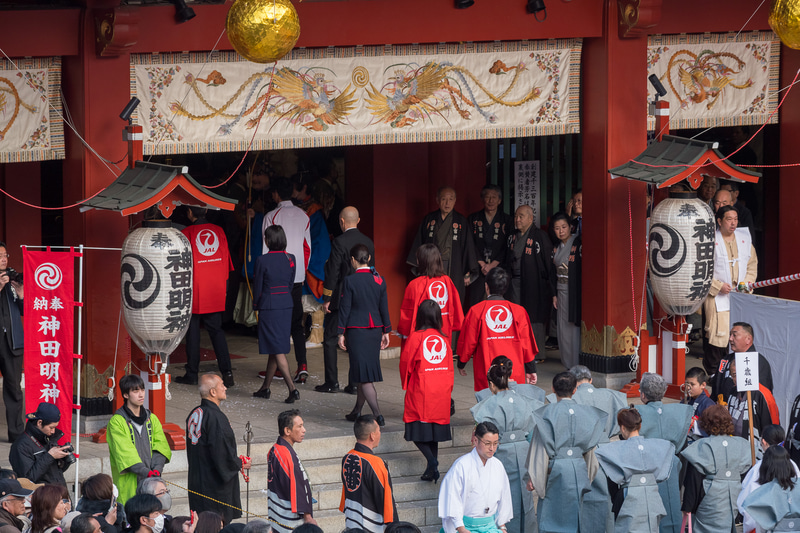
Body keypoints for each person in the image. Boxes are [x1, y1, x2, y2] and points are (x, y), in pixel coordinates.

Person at [524, 372, 607, 533]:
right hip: (579, 466)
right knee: (578, 518)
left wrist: (536, 480)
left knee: (552, 516)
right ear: (575, 390)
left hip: (555, 470)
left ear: (553, 389)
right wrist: (587, 476)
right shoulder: (587, 413)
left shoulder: (546, 414)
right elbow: (591, 451)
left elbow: (539, 450)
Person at [470, 356, 543, 533]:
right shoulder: (525, 400)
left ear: (491, 384)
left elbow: (485, 437)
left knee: (500, 498)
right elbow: (534, 435)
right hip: (524, 451)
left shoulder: (488, 405)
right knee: (524, 500)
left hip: (499, 451)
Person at [318, 206, 375, 394]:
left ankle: (332, 382)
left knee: (330, 338)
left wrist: (327, 297)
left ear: (342, 221)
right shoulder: (368, 242)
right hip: (362, 297)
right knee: (354, 340)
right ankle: (353, 384)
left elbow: (333, 273)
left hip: (341, 297)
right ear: (358, 221)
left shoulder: (339, 242)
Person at [176, 207, 235, 387]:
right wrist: (223, 285)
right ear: (206, 212)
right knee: (216, 330)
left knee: (193, 331)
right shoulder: (219, 231)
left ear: (189, 213)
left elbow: (181, 264)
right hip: (216, 286)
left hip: (196, 286)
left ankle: (192, 373)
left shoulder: (186, 233)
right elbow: (226, 260)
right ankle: (228, 373)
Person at [564, 365, 627, 533]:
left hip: (582, 451)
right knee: (607, 497)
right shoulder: (610, 395)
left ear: (573, 383)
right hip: (609, 450)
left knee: (584, 496)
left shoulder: (572, 399)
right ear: (590, 380)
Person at [262, 177, 312, 383]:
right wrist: (300, 272)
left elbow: (266, 251)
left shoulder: (271, 216)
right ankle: (302, 366)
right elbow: (307, 248)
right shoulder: (303, 215)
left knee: (276, 324)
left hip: (276, 278)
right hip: (297, 275)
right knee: (296, 324)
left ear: (275, 194)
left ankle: (277, 369)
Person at [456, 267, 537, 391]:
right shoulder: (518, 311)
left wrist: (461, 363)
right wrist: (531, 370)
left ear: (486, 286)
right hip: (513, 371)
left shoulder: (476, 311)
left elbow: (468, 342)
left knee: (488, 406)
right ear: (506, 287)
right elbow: (527, 344)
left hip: (488, 371)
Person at [595, 408, 675, 533]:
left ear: (622, 428)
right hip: (652, 493)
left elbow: (612, 478)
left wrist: (616, 498)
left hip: (628, 494)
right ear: (640, 426)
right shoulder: (657, 446)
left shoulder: (615, 449)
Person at [399, 300, 454, 482]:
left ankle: (432, 461)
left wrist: (406, 383)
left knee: (415, 428)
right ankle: (432, 469)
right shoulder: (444, 338)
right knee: (433, 432)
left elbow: (406, 364)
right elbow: (449, 368)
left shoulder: (416, 337)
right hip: (441, 389)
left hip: (422, 387)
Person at [185, 373, 251, 524]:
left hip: (197, 481)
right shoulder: (215, 417)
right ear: (212, 392)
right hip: (213, 486)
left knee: (201, 524)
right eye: (222, 385)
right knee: (214, 525)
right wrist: (239, 463)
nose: (225, 388)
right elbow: (221, 454)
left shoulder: (195, 413)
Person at [338, 244, 392, 426]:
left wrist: (340, 332)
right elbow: (383, 308)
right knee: (363, 374)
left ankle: (378, 415)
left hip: (357, 331)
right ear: (368, 259)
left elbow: (345, 309)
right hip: (375, 330)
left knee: (365, 377)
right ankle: (356, 411)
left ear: (353, 260)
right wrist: (387, 331)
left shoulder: (350, 281)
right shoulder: (380, 280)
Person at [702, 205, 757, 379]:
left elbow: (752, 264)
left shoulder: (744, 239)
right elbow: (702, 268)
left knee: (739, 332)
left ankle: (735, 371)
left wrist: (747, 282)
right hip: (718, 295)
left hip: (739, 294)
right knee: (718, 333)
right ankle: (714, 372)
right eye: (728, 219)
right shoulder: (710, 240)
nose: (733, 223)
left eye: (735, 219)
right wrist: (718, 286)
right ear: (719, 221)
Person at [635, 373, 693, 533]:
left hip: (646, 465)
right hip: (671, 464)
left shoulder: (636, 413)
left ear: (642, 394)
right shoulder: (680, 411)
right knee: (671, 504)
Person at [681, 405, 752, 533]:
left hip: (710, 498)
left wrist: (688, 506)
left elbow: (694, 480)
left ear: (706, 424)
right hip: (734, 498)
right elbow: (744, 475)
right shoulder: (742, 445)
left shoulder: (702, 446)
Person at [406, 186, 478, 307]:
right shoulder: (429, 219)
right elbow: (420, 242)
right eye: (444, 199)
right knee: (431, 297)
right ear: (437, 200)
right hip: (431, 265)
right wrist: (419, 266)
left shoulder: (461, 221)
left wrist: (467, 272)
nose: (447, 203)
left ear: (455, 201)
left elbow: (468, 247)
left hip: (453, 265)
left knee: (452, 299)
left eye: (450, 199)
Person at [251, 225, 299, 403]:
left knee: (277, 348)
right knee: (275, 345)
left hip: (269, 306)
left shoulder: (262, 260)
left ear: (268, 241)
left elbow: (258, 287)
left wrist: (256, 305)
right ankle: (265, 388)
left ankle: (292, 389)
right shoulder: (291, 258)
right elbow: (290, 283)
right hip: (286, 304)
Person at [106, 375, 171, 504]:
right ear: (125, 395)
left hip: (152, 482)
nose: (141, 394)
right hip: (129, 482)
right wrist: (147, 472)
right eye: (135, 391)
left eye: (142, 390)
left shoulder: (152, 418)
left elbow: (161, 445)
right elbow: (125, 453)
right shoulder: (116, 422)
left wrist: (157, 469)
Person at [438, 422, 512, 533]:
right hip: (465, 526)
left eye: (495, 443)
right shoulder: (461, 465)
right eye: (487, 443)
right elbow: (452, 498)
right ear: (476, 441)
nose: (492, 448)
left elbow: (504, 497)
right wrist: (461, 528)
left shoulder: (498, 465)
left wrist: (502, 527)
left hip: (490, 526)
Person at [506, 204, 553, 356]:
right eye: (516, 216)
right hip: (514, 282)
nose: (517, 219)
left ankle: (536, 352)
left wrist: (549, 286)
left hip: (534, 283)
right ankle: (517, 350)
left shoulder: (540, 236)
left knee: (534, 316)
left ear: (531, 218)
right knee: (515, 316)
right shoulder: (512, 236)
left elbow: (548, 263)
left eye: (521, 216)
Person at [397, 244, 464, 349]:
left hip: (421, 333)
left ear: (421, 261)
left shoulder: (415, 284)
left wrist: (403, 331)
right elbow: (455, 307)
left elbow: (408, 312)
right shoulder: (447, 281)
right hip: (444, 328)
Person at [340, 415, 398, 532]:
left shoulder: (347, 457)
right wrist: (395, 527)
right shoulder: (376, 463)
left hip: (352, 522)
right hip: (372, 526)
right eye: (378, 431)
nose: (380, 434)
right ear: (372, 435)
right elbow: (385, 500)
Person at [738, 425, 800, 533]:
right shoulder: (793, 465)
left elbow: (747, 503)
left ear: (763, 441)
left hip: (765, 523)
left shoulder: (759, 468)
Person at [266, 410, 315, 533]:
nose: (304, 430)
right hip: (288, 519)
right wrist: (307, 516)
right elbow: (296, 486)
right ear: (287, 431)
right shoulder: (285, 454)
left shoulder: (275, 449)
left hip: (278, 513)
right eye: (299, 426)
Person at [467, 185, 513, 307]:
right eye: (487, 197)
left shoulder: (507, 220)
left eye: (494, 197)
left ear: (499, 200)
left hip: (499, 267)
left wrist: (493, 264)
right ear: (482, 199)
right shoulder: (473, 219)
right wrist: (482, 263)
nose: (491, 200)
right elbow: (469, 243)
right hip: (478, 268)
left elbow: (508, 246)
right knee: (476, 302)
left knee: (498, 303)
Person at [713, 322, 775, 406]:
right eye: (730, 335)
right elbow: (715, 389)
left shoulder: (759, 363)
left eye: (734, 335)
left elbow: (762, 396)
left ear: (748, 339)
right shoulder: (725, 360)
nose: (730, 339)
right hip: (721, 412)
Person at [10, 403, 72, 486]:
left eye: (55, 427)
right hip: (41, 496)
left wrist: (64, 460)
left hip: (59, 492)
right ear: (39, 422)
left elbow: (55, 473)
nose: (53, 431)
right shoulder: (20, 446)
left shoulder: (48, 438)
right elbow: (27, 480)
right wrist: (50, 456)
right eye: (51, 427)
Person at [550, 212, 582, 369]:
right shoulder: (556, 247)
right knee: (562, 328)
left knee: (573, 327)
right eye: (557, 228)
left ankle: (575, 364)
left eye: (564, 227)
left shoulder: (577, 242)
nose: (561, 231)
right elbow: (551, 272)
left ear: (570, 227)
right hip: (560, 290)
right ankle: (567, 363)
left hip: (574, 290)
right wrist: (554, 294)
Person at [0, 243, 24, 442]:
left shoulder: (12, 278)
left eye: (5, 255)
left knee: (14, 389)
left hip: (12, 341)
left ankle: (16, 434)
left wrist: (22, 294)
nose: (3, 259)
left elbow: (25, 310)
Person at [722, 359, 775, 444]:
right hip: (734, 444)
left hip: (755, 448)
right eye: (733, 376)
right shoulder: (733, 391)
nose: (734, 379)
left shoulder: (762, 394)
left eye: (736, 375)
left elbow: (771, 426)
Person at [681, 367, 714, 440]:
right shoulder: (685, 400)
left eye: (692, 385)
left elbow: (711, 430)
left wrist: (693, 424)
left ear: (703, 385)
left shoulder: (709, 405)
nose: (688, 387)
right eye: (687, 384)